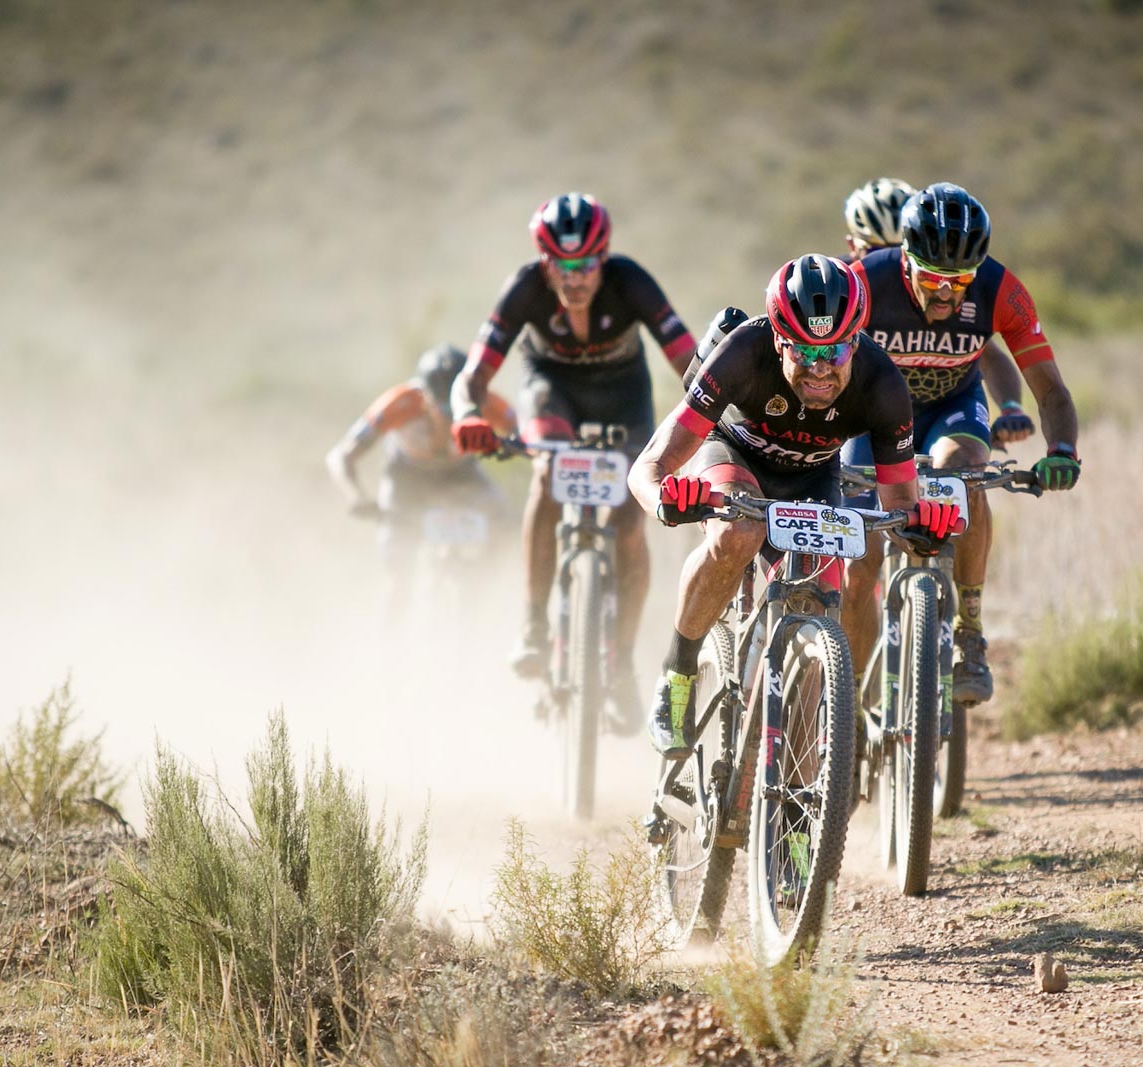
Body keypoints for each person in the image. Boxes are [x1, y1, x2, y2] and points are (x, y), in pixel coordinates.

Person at [627, 254, 964, 757]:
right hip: (733, 455)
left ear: (857, 340)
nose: (822, 368)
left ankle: (800, 812)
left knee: (822, 596)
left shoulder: (882, 383)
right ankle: (676, 679)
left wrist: (920, 525)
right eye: (805, 352)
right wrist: (667, 500)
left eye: (837, 349)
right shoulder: (742, 353)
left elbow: (898, 503)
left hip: (812, 475)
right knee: (735, 535)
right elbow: (647, 468)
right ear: (779, 339)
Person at [449, 193, 697, 726]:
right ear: (544, 261)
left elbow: (688, 359)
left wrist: (716, 410)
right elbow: (473, 371)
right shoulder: (524, 289)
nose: (574, 277)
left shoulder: (631, 282)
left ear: (603, 258)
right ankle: (535, 625)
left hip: (622, 394)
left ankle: (624, 663)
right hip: (551, 391)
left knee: (634, 516)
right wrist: (468, 412)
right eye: (561, 265)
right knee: (548, 474)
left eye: (585, 264)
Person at [839, 183, 1081, 705]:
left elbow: (1052, 390)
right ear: (905, 260)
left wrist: (1061, 450)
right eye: (932, 279)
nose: (947, 293)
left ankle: (969, 635)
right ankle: (849, 706)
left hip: (951, 406)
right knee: (859, 565)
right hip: (873, 420)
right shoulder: (863, 282)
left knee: (964, 476)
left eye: (960, 281)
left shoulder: (1000, 290)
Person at [843, 177, 1034, 448]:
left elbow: (987, 356)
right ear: (853, 248)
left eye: (899, 246)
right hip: (871, 411)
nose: (889, 259)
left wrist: (1011, 408)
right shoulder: (847, 284)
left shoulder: (942, 289)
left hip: (944, 411)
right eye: (874, 250)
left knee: (962, 471)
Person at [326, 344, 513, 611]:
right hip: (407, 477)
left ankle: (476, 588)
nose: (448, 418)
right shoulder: (400, 402)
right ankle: (392, 632)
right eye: (441, 406)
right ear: (422, 394)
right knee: (399, 574)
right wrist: (356, 496)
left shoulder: (486, 402)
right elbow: (342, 455)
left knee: (504, 524)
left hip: (462, 474)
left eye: (456, 408)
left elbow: (529, 433)